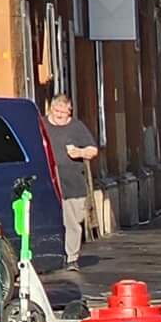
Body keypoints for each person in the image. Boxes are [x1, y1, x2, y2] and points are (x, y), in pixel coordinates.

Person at [42, 94, 100, 266]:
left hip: (72, 183)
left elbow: (93, 150)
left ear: (70, 111)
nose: (59, 115)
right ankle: (52, 256)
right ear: (50, 109)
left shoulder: (76, 127)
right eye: (56, 111)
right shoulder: (42, 125)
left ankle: (72, 258)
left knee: (72, 223)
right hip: (48, 181)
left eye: (63, 112)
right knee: (50, 220)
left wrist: (80, 153)